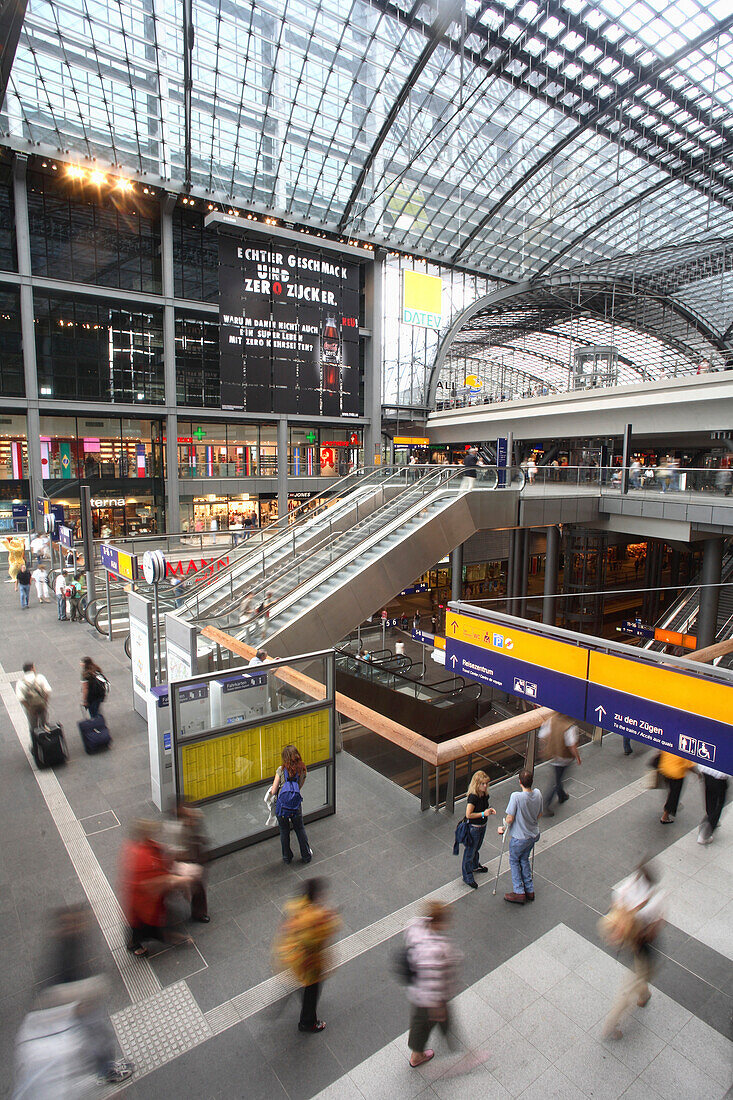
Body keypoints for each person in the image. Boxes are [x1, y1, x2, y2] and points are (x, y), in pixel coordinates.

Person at [13, 905, 135, 1091]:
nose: (83, 924)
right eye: (77, 921)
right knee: (97, 1040)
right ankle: (106, 1071)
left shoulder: (70, 944)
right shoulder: (64, 954)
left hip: (79, 1006)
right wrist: (82, 1001)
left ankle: (105, 1067)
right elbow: (57, 993)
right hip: (77, 1009)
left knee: (98, 1038)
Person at [602, 863, 665, 1041]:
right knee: (634, 981)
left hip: (630, 941)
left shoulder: (630, 885)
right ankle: (610, 1026)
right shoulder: (655, 898)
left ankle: (644, 993)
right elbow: (656, 924)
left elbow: (616, 899)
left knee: (643, 973)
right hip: (644, 945)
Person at [275, 878, 340, 1033]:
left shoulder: (294, 905)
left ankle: (300, 1001)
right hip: (308, 964)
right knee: (311, 991)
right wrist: (329, 917)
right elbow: (325, 931)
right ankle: (308, 1022)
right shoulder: (314, 917)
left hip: (290, 956)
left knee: (303, 987)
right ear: (316, 895)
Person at [120, 820, 190, 956]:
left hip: (143, 903)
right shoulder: (142, 857)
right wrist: (178, 879)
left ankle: (138, 941)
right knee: (147, 929)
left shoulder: (138, 847)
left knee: (140, 927)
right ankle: (136, 944)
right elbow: (152, 883)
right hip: (144, 907)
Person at [403, 902, 460, 1067]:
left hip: (415, 989)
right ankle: (417, 1055)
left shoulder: (415, 927)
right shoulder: (438, 948)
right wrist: (439, 1005)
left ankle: (440, 1035)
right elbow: (436, 978)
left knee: (419, 1020)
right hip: (430, 996)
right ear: (437, 922)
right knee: (426, 1022)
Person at [499, 768, 543, 905]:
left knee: (513, 861)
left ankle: (519, 892)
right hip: (533, 834)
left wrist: (503, 828)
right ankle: (529, 889)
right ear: (531, 781)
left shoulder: (516, 797)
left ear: (519, 782)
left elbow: (510, 818)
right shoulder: (538, 794)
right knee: (524, 859)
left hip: (520, 837)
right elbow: (539, 814)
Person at [164, 800, 210, 922]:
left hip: (194, 857)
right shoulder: (173, 828)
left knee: (197, 886)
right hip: (183, 860)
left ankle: (198, 912)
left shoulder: (195, 816)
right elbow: (174, 850)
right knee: (190, 884)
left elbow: (200, 836)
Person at [269, 745, 311, 865]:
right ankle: (306, 855)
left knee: (284, 830)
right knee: (300, 829)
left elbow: (273, 790)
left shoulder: (280, 770)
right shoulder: (302, 769)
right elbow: (300, 785)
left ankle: (287, 857)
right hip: (295, 805)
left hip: (281, 806)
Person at [539, 712, 581, 815]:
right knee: (557, 781)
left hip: (553, 755)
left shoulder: (551, 720)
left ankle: (562, 795)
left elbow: (542, 736)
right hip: (564, 758)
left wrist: (544, 749)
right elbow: (572, 746)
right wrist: (578, 758)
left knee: (558, 777)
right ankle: (546, 804)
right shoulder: (570, 727)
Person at [461, 770, 496, 888]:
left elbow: (484, 809)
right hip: (474, 828)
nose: (485, 786)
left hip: (482, 826)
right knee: (470, 851)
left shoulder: (485, 795)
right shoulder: (473, 797)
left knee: (476, 848)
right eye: (482, 784)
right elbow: (468, 815)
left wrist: (488, 811)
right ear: (477, 784)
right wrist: (483, 814)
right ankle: (467, 875)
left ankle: (475, 865)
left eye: (486, 783)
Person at [658, 750, 696, 823]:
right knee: (674, 795)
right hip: (676, 775)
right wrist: (698, 773)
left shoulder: (672, 744)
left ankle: (668, 804)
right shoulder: (684, 751)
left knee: (671, 790)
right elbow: (689, 765)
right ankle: (665, 817)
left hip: (665, 769)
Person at [16, 661, 52, 735]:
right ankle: (48, 740)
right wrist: (45, 702)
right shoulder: (40, 677)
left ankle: (35, 744)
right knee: (45, 723)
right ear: (32, 668)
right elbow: (48, 690)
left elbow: (21, 698)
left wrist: (30, 709)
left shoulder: (20, 683)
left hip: (31, 707)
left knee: (33, 727)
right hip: (42, 705)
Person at [697, 765, 729, 843]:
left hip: (707, 770)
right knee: (719, 803)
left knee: (709, 796)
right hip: (719, 776)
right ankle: (705, 834)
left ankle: (710, 816)